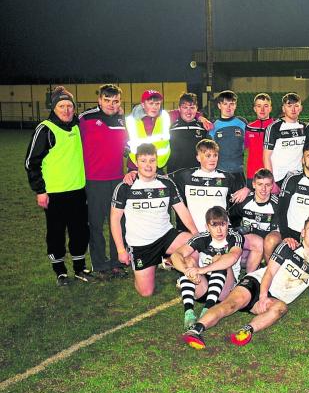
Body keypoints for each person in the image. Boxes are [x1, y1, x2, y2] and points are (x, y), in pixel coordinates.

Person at [182, 216, 309, 349]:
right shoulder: (288, 247)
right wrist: (263, 295)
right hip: (257, 282)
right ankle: (196, 330)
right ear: (303, 232)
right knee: (231, 305)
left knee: (281, 307)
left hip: (273, 299)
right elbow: (269, 272)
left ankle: (246, 331)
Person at [110, 143, 197, 296]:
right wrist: (121, 250)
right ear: (136, 163)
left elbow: (182, 210)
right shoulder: (125, 187)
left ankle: (176, 266)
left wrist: (196, 234)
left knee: (194, 245)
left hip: (165, 236)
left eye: (152, 160)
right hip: (141, 245)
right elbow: (115, 219)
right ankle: (154, 263)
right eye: (143, 161)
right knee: (146, 292)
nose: (148, 165)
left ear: (157, 162)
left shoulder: (167, 183)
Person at [26, 86, 92, 286]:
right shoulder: (45, 129)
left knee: (80, 231)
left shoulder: (78, 126)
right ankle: (60, 271)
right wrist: (40, 191)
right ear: (54, 108)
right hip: (54, 194)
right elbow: (31, 162)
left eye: (69, 106)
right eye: (61, 106)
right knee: (56, 232)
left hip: (78, 191)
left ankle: (80, 268)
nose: (66, 110)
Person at [78, 83, 128, 279]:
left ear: (120, 102)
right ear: (99, 100)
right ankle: (99, 264)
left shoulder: (123, 120)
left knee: (119, 222)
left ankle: (117, 262)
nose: (111, 105)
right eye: (107, 100)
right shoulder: (85, 118)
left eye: (115, 101)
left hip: (117, 179)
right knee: (96, 224)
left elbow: (127, 143)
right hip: (94, 180)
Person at [171, 206, 244, 329]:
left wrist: (201, 270)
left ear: (228, 224)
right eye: (214, 226)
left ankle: (207, 310)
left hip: (225, 290)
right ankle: (188, 313)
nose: (219, 230)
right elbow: (175, 255)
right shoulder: (201, 237)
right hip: (203, 287)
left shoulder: (235, 236)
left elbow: (232, 258)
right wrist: (187, 271)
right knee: (188, 261)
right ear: (207, 227)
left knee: (219, 258)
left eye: (223, 225)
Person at [170, 139, 249, 233]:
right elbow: (163, 179)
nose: (212, 159)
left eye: (215, 155)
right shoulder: (186, 176)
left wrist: (247, 189)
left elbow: (244, 196)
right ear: (198, 157)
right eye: (208, 156)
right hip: (194, 232)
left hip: (220, 231)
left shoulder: (227, 178)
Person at [228, 168, 283, 274]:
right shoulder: (244, 201)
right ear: (253, 185)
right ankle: (250, 271)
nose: (263, 189)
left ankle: (266, 270)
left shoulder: (277, 204)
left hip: (267, 246)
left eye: (267, 185)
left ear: (272, 186)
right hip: (251, 243)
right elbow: (231, 220)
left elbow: (278, 232)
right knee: (239, 255)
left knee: (268, 241)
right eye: (260, 184)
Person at [263, 93, 306, 187]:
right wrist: (271, 181)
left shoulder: (304, 127)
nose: (293, 109)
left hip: (299, 177)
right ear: (283, 108)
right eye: (289, 106)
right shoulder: (273, 128)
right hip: (279, 178)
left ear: (300, 108)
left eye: (296, 106)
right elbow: (266, 157)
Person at [125, 89, 172, 171]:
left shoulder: (165, 116)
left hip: (158, 166)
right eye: (151, 103)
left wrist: (199, 116)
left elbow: (182, 111)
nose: (154, 107)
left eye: (157, 104)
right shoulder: (131, 120)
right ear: (143, 105)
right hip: (135, 167)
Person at [210, 90, 247, 186]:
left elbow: (249, 146)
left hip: (238, 172)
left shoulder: (242, 124)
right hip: (220, 172)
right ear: (219, 106)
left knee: (239, 200)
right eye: (225, 104)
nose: (228, 107)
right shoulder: (213, 126)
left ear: (235, 105)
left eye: (232, 104)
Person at [167, 92, 209, 173]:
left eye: (192, 108)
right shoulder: (169, 127)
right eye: (185, 107)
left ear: (197, 109)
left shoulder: (203, 127)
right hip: (175, 173)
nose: (188, 111)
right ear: (179, 108)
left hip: (197, 174)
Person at [244, 93, 274, 185]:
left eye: (265, 106)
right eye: (259, 106)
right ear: (254, 109)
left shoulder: (275, 126)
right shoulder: (249, 127)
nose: (262, 109)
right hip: (252, 174)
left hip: (271, 173)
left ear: (270, 108)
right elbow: (244, 148)